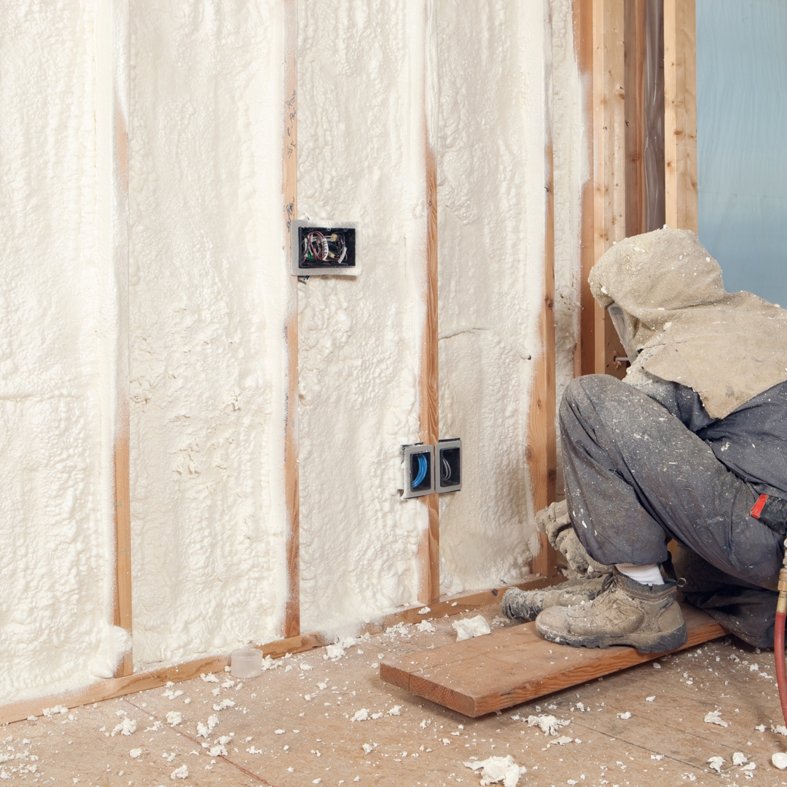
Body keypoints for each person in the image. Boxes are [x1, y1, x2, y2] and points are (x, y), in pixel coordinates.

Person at [503, 227, 787, 652]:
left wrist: (570, 522)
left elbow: (618, 455)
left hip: (763, 531)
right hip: (776, 542)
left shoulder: (677, 352)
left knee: (589, 399)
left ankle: (640, 601)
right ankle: (761, 611)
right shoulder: (768, 319)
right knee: (691, 569)